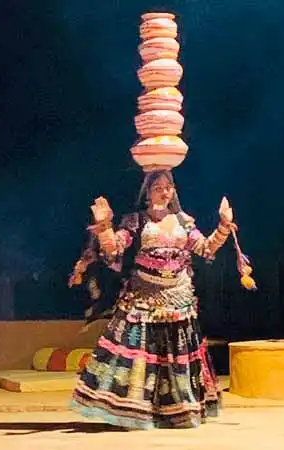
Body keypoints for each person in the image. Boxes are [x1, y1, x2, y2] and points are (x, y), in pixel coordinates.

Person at [69, 169, 236, 429]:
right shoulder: (136, 221)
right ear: (147, 193)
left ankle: (177, 411)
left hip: (178, 298)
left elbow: (205, 248)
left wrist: (224, 226)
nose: (164, 191)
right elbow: (113, 248)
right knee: (139, 358)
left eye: (168, 187)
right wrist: (104, 226)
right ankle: (133, 412)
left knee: (174, 358)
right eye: (158, 187)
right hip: (143, 299)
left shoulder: (184, 222)